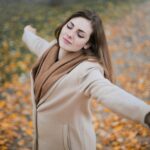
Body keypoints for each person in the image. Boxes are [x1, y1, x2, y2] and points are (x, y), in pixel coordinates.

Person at [22, 10, 150, 150]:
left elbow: (110, 93)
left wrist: (145, 113)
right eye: (70, 26)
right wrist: (27, 32)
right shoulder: (50, 51)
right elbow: (37, 44)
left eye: (80, 34)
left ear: (87, 44)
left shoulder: (87, 70)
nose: (70, 34)